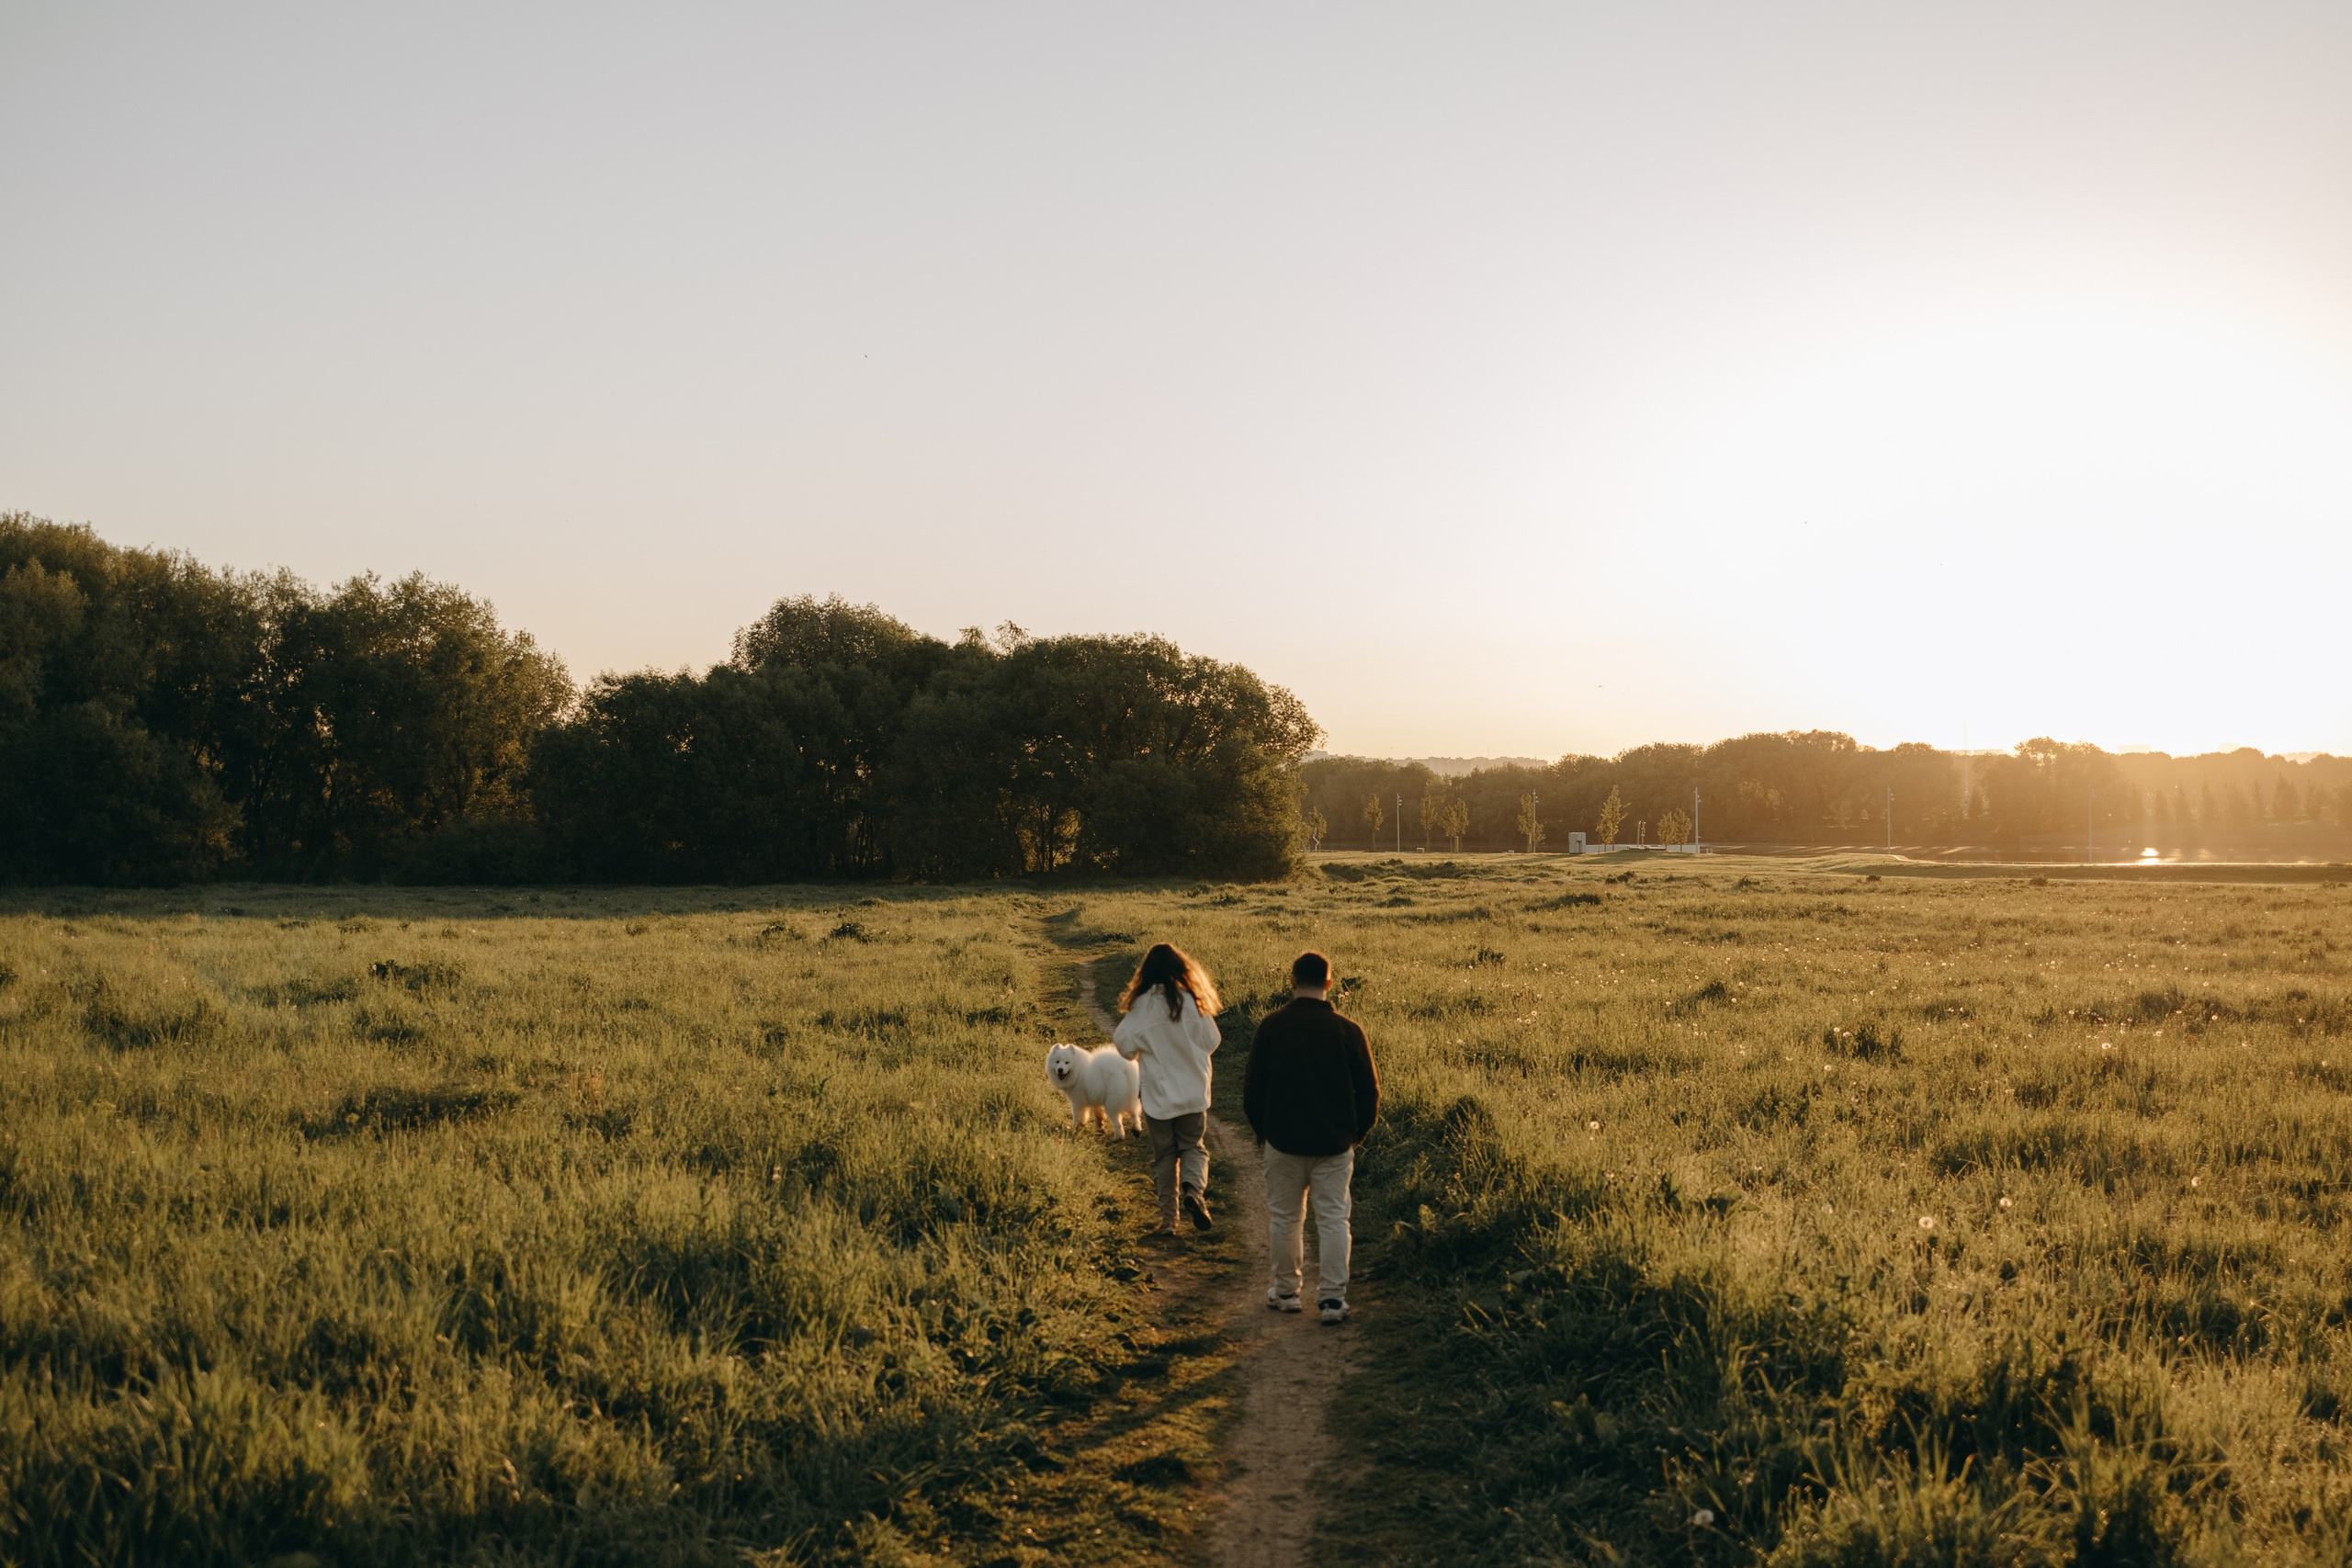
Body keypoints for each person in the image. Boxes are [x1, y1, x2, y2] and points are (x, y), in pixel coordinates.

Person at [1242, 950, 1379, 1325]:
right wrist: (1356, 1136)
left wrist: (1263, 1133)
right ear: (1329, 984)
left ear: (1291, 981)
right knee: (1334, 1219)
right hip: (1335, 1144)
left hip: (1283, 1141)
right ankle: (1333, 1301)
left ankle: (1286, 1293)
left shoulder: (1271, 1027)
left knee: (1286, 1218)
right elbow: (1370, 1092)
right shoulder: (1349, 1031)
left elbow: (1252, 1089)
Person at [1113, 942, 1225, 1235]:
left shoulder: (1142, 1007)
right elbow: (1213, 1041)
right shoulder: (1192, 1001)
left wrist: (1146, 1048)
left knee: (1164, 1156)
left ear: (1146, 973)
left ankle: (1169, 1222)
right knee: (1193, 1148)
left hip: (1158, 1098)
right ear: (1181, 969)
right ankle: (1194, 1192)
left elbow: (1124, 1047)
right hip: (1193, 1094)